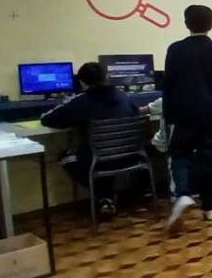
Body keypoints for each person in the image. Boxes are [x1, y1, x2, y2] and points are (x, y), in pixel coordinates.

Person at [164, 4, 212, 232]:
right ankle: (210, 207)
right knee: (211, 158)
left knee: (179, 154)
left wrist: (168, 114)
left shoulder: (175, 49)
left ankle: (183, 193)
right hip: (211, 113)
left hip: (183, 113)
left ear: (186, 23)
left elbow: (168, 85)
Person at [40, 62, 139, 217]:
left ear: (82, 82)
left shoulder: (81, 102)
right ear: (106, 77)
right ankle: (107, 197)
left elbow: (47, 119)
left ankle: (105, 196)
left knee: (65, 157)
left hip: (98, 160)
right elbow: (136, 113)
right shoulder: (124, 96)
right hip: (131, 157)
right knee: (104, 154)